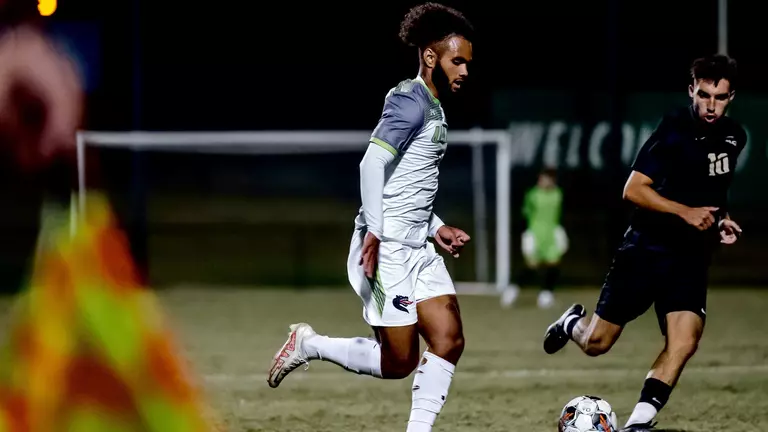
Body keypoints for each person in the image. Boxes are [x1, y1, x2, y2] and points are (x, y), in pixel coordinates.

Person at [267, 3, 474, 431]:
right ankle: (309, 344)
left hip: (416, 247)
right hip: (387, 251)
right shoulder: (409, 101)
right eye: (458, 61)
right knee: (398, 362)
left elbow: (406, 183)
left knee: (449, 340)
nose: (465, 70)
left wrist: (437, 227)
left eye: (468, 63)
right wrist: (376, 234)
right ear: (430, 57)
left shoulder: (434, 108)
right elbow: (370, 166)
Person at [543, 54, 746, 431]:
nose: (710, 105)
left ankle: (639, 422)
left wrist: (722, 220)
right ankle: (573, 323)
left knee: (684, 341)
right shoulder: (673, 127)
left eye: (719, 97)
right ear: (692, 90)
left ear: (731, 96)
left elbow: (715, 194)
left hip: (689, 257)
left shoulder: (735, 137)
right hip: (645, 250)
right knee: (597, 343)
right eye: (703, 95)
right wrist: (686, 212)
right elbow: (633, 190)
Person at [500, 167, 568, 309]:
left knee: (553, 264)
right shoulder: (532, 195)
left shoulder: (558, 194)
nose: (545, 182)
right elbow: (525, 215)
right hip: (535, 234)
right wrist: (526, 235)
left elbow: (561, 214)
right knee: (531, 265)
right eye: (543, 179)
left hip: (551, 234)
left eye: (548, 179)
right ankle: (513, 289)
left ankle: (546, 294)